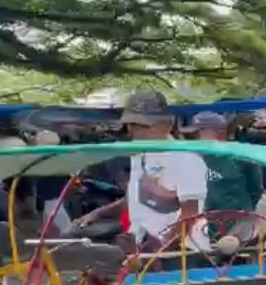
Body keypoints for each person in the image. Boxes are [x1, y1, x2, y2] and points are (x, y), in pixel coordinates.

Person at [75, 89, 208, 252]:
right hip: (140, 244)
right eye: (131, 124)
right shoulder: (139, 155)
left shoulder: (187, 158)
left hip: (180, 251)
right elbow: (133, 199)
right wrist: (96, 214)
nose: (133, 130)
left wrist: (161, 251)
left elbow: (190, 215)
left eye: (140, 125)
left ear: (164, 126)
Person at [181, 112, 263, 237]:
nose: (195, 138)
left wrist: (242, 212)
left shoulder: (239, 157)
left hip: (236, 228)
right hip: (202, 228)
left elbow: (255, 190)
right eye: (193, 135)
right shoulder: (190, 159)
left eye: (199, 133)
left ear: (217, 133)